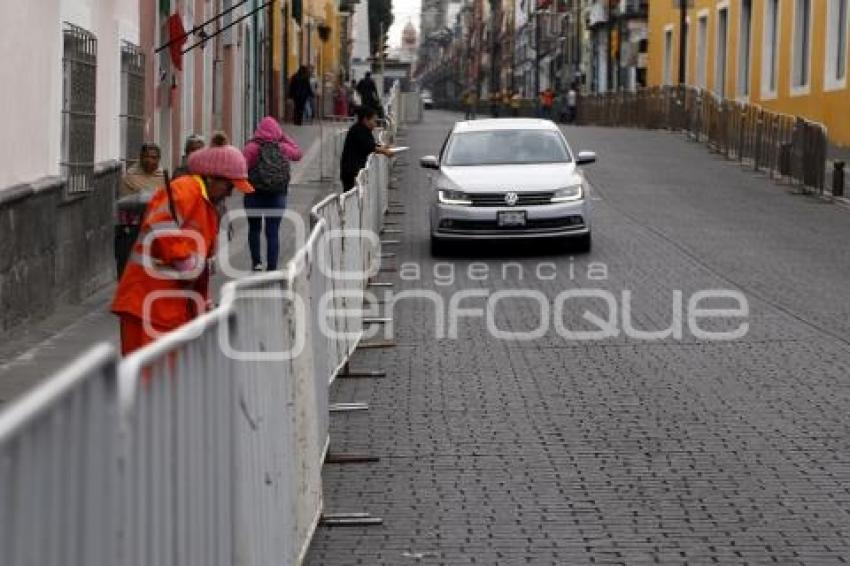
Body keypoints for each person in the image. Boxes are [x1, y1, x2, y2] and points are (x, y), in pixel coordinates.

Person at [111, 132, 254, 356]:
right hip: (147, 303)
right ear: (212, 177)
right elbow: (159, 222)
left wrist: (202, 302)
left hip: (164, 306)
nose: (231, 192)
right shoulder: (186, 189)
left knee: (161, 384)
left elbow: (199, 267)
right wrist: (183, 259)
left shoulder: (206, 204)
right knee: (149, 384)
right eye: (229, 185)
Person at [242, 116, 303, 272]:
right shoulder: (281, 147)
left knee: (254, 228)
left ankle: (257, 263)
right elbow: (298, 154)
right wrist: (282, 136)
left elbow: (241, 169)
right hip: (277, 195)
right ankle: (272, 267)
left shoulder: (251, 148)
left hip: (253, 194)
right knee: (273, 231)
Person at [339, 106, 394, 192]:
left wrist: (383, 147)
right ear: (365, 119)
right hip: (351, 171)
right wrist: (384, 151)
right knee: (352, 195)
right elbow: (368, 146)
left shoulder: (364, 129)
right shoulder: (358, 130)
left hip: (356, 170)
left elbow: (371, 144)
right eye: (374, 121)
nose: (376, 124)